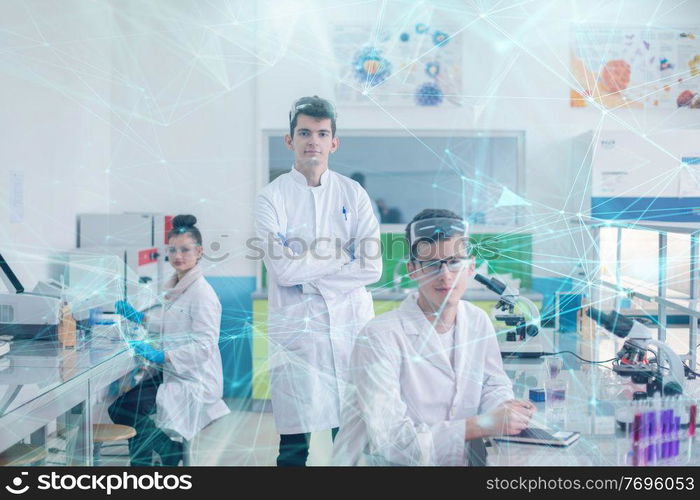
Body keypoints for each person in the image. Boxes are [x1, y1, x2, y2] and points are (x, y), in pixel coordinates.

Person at [332, 208, 535, 466]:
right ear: (412, 270)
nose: (444, 275)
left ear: (470, 266)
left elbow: (492, 383)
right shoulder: (378, 337)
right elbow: (394, 443)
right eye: (430, 264)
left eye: (454, 262)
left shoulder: (476, 321)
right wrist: (484, 423)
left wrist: (507, 409)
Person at [254, 95, 382, 466]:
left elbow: (371, 267)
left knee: (352, 439)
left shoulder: (352, 193)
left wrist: (309, 276)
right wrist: (341, 254)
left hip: (349, 330)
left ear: (333, 142)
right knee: (294, 447)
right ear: (289, 140)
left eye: (322, 133)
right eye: (305, 132)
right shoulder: (271, 198)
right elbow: (282, 271)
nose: (313, 141)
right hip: (299, 336)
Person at [109, 214, 230, 466]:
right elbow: (173, 325)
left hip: (194, 375)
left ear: (199, 251)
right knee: (125, 407)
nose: (178, 255)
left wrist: (162, 355)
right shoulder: (177, 286)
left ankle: (167, 450)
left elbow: (204, 346)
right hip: (174, 370)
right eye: (173, 249)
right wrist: (139, 318)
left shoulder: (202, 294)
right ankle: (151, 459)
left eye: (185, 249)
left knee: (124, 409)